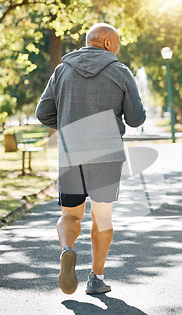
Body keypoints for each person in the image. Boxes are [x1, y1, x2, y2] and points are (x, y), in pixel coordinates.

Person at [36, 23, 146, 295]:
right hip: (106, 154)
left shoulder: (61, 70)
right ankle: (96, 277)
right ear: (108, 43)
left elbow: (42, 113)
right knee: (102, 217)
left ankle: (67, 249)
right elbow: (135, 119)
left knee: (71, 214)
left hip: (71, 151)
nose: (118, 49)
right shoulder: (120, 71)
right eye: (117, 43)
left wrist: (65, 124)